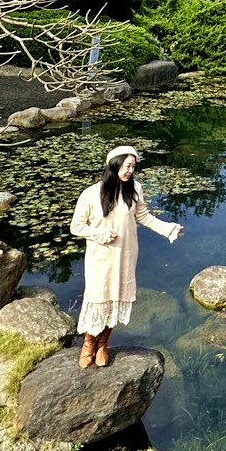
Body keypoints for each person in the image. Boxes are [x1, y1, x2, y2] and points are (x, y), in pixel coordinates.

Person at [69, 145, 183, 368]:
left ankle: (103, 345)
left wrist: (169, 228)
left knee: (115, 298)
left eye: (133, 166)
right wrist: (100, 234)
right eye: (127, 165)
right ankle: (88, 344)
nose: (131, 170)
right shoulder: (91, 194)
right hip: (100, 257)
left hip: (126, 254)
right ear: (115, 164)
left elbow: (145, 217)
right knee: (97, 298)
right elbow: (76, 227)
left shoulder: (135, 189)